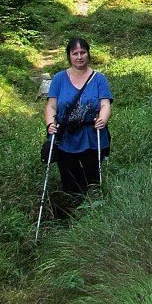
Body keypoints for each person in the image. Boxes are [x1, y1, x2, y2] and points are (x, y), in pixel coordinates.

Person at [43, 36, 111, 200]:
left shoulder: (99, 78)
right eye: (75, 53)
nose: (79, 57)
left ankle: (92, 216)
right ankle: (72, 213)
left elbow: (105, 104)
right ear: (69, 56)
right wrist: (50, 124)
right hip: (66, 137)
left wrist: (103, 118)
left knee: (92, 180)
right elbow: (51, 105)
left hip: (92, 136)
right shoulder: (59, 79)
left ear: (88, 54)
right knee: (70, 182)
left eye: (83, 52)